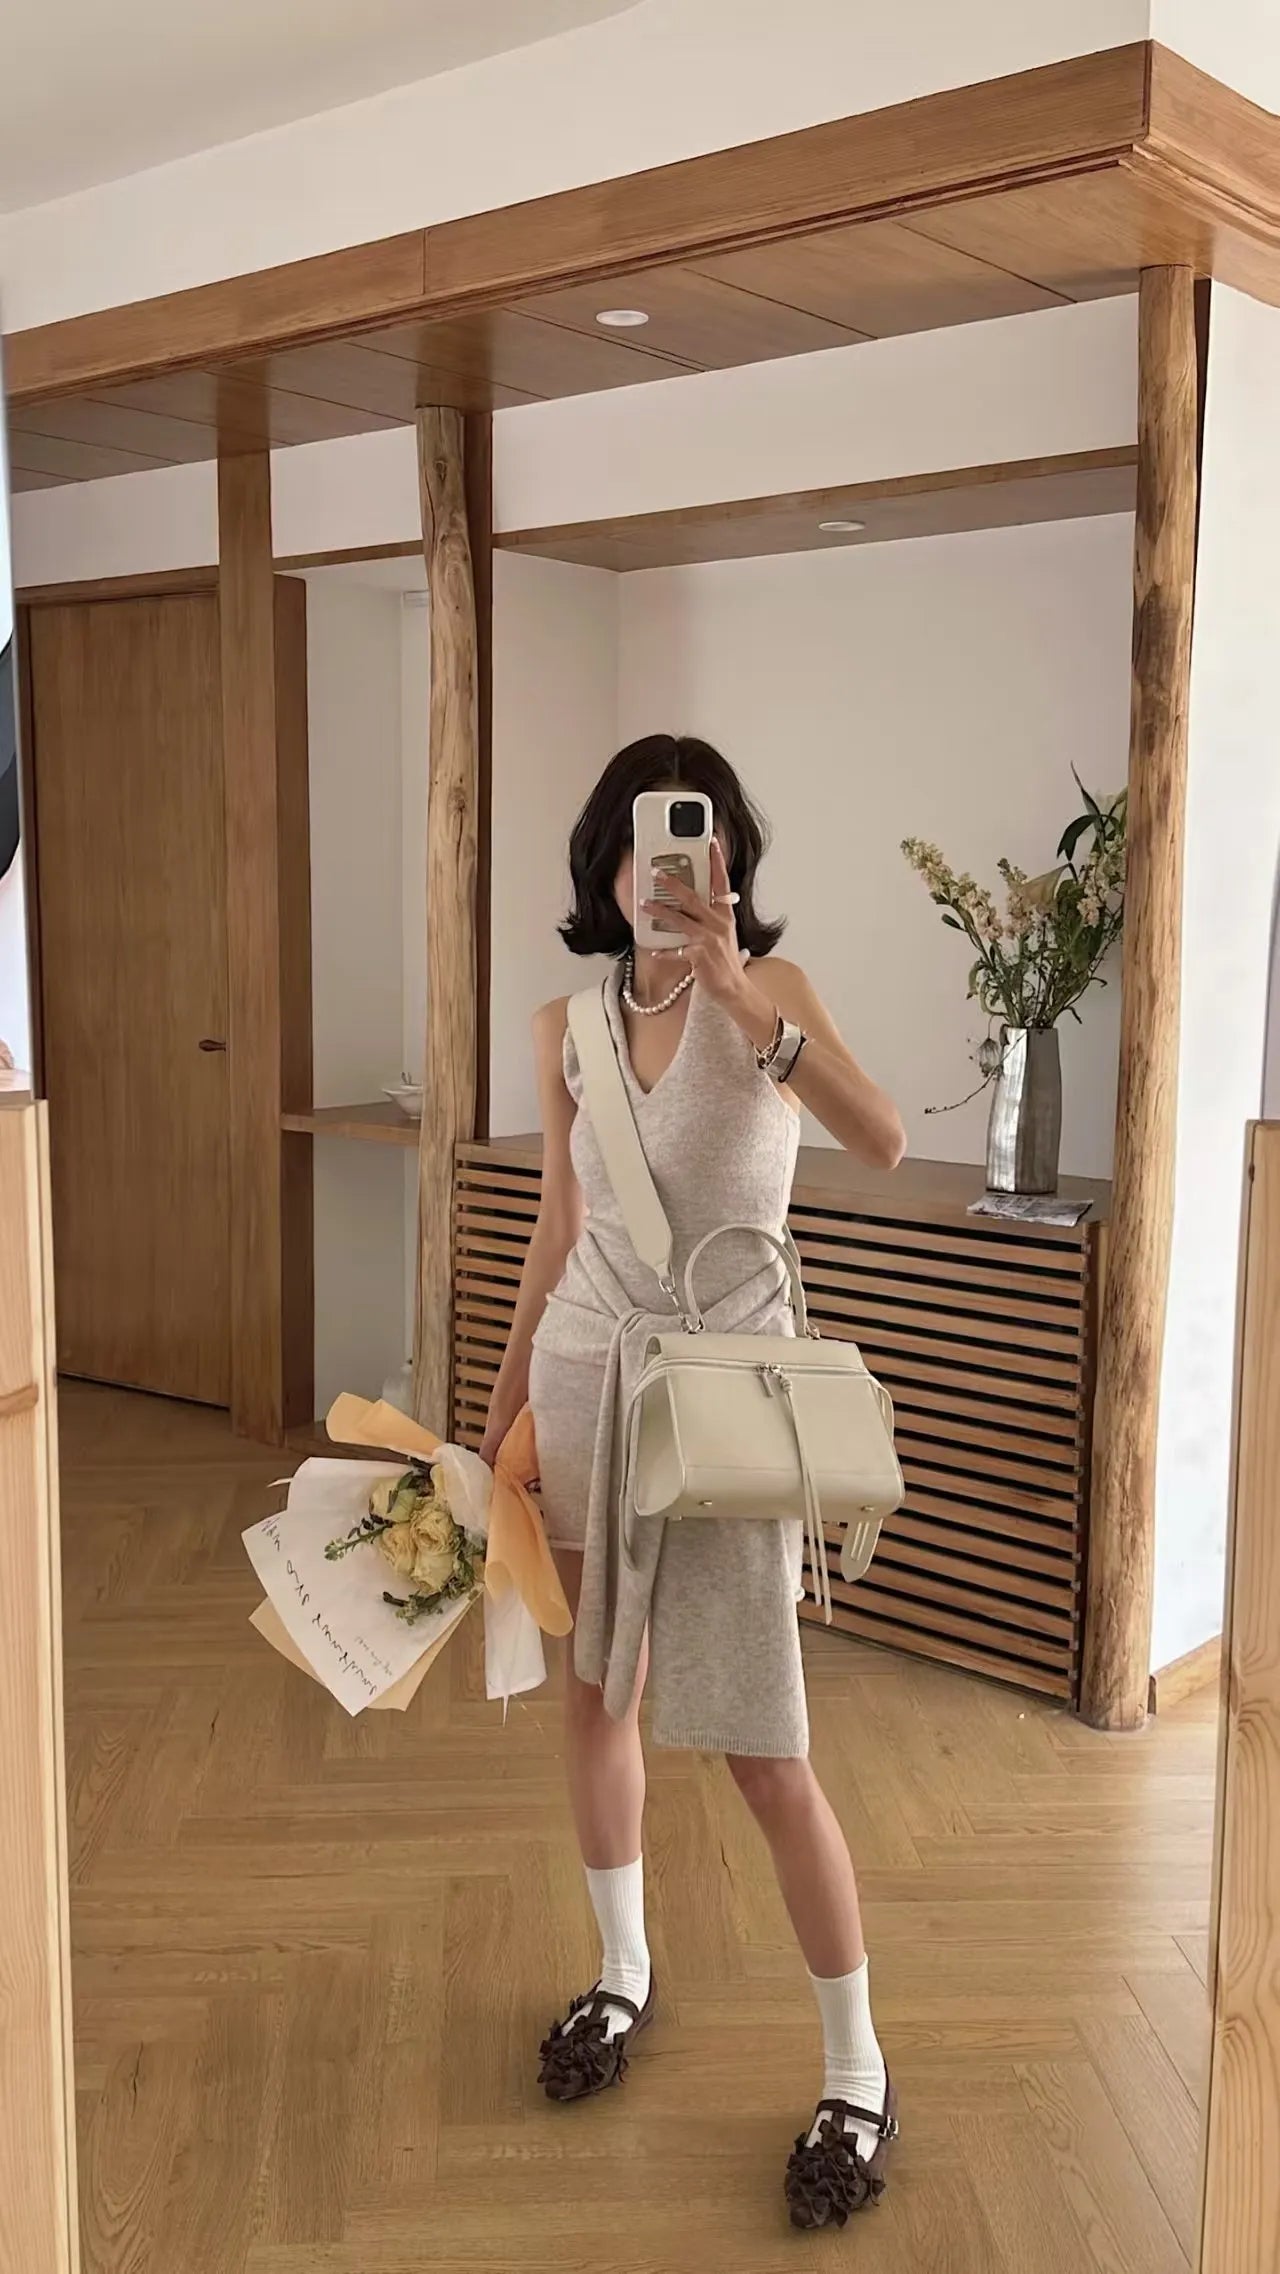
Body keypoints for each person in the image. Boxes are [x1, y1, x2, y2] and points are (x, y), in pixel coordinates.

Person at [479, 733, 906, 2230]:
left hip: (726, 1412)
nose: (659, 872)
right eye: (638, 847)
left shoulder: (772, 996)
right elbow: (558, 1226)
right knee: (598, 1692)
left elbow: (884, 1138)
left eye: (691, 843)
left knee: (762, 1745)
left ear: (728, 865)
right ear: (604, 865)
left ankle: (858, 2068)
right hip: (589, 1382)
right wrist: (496, 1412)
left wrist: (740, 999)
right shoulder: (563, 1026)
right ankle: (622, 1971)